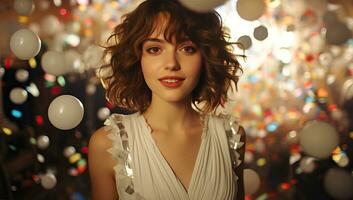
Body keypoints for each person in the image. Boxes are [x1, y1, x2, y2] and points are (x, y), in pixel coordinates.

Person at [88, 0, 246, 199]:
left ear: (206, 56)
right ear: (138, 59)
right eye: (155, 49)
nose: (171, 64)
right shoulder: (107, 144)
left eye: (187, 48)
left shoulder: (230, 137)